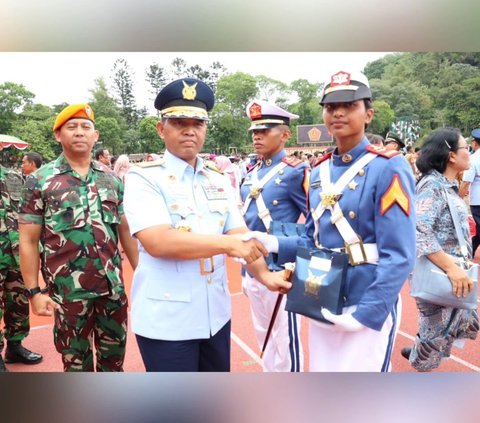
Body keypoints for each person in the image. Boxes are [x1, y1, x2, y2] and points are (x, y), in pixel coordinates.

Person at [245, 70, 416, 371]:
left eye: (350, 105)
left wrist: (367, 313)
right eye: (330, 106)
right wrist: (270, 242)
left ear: (368, 114)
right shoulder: (320, 171)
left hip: (366, 293)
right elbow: (311, 241)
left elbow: (400, 255)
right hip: (323, 292)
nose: (337, 112)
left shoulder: (388, 167)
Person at [123, 78, 289, 372]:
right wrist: (228, 244)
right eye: (179, 122)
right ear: (161, 129)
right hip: (168, 322)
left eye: (198, 123)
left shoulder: (217, 178)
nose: (190, 130)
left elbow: (239, 233)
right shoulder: (143, 177)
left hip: (215, 316)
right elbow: (159, 242)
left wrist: (265, 276)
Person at [18, 103, 138, 372]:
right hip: (68, 295)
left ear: (95, 136)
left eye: (86, 127)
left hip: (112, 291)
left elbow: (125, 229)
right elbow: (27, 240)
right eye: (71, 127)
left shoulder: (111, 179)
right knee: (75, 367)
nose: (80, 132)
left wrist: (142, 275)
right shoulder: (40, 180)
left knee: (114, 363)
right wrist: (34, 293)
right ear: (58, 135)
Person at [240, 99, 309, 372]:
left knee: (286, 341)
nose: (257, 136)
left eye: (265, 130)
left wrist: (285, 247)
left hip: (282, 270)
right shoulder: (251, 173)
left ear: (285, 134)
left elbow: (317, 225)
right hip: (253, 268)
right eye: (254, 131)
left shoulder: (296, 172)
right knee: (264, 336)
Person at [402, 128, 479, 371]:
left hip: (451, 271)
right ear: (451, 155)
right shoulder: (432, 186)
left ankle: (418, 351)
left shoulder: (445, 184)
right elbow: (418, 230)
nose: (470, 152)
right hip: (439, 272)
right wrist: (451, 268)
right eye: (465, 147)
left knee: (458, 324)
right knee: (434, 337)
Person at [0, 146, 43, 372]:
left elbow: (27, 214)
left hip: (15, 252)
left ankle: (15, 346)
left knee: (18, 303)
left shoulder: (15, 177)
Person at [460, 129, 480, 255]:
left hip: (478, 201)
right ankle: (470, 250)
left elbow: (466, 182)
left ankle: (469, 251)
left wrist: (458, 198)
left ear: (475, 143)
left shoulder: (473, 159)